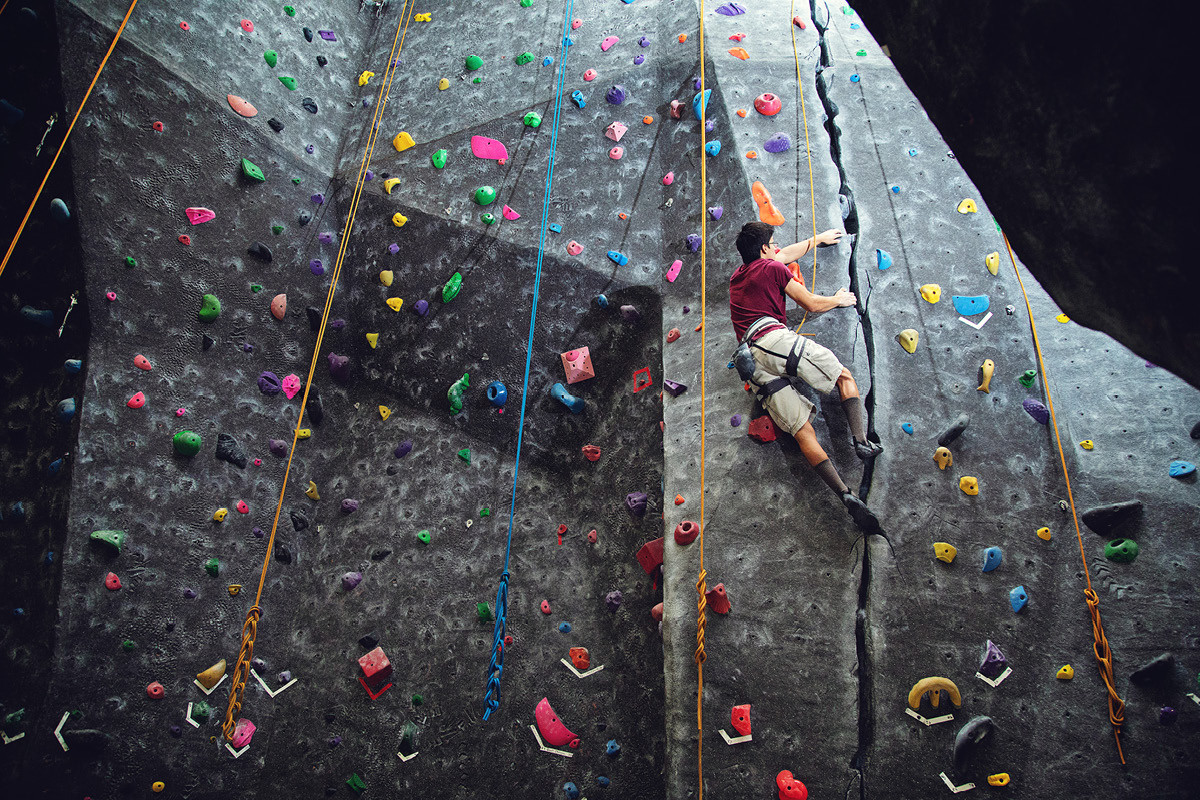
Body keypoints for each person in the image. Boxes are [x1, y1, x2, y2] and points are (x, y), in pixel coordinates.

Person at [729, 221, 883, 534]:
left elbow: (784, 254)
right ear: (763, 250)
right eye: (772, 244)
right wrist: (838, 300)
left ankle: (845, 494)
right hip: (773, 339)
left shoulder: (739, 276)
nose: (777, 248)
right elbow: (810, 303)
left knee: (802, 431)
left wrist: (817, 240)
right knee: (843, 377)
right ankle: (861, 442)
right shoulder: (772, 269)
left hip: (749, 361)